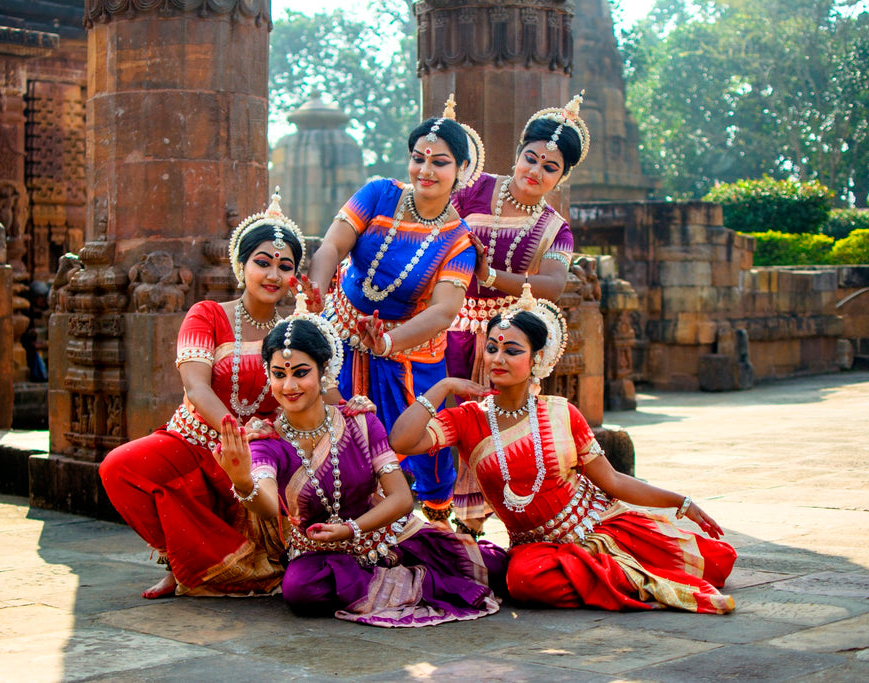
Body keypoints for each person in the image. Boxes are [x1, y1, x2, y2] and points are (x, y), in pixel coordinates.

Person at [390, 284, 737, 613]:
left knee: (718, 562)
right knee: (525, 582)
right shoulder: (469, 418)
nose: (498, 358)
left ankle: (611, 569)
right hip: (537, 549)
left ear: (536, 358)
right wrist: (443, 385)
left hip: (599, 528)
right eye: (492, 348)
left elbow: (612, 481)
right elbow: (401, 441)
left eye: (512, 351)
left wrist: (680, 501)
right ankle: (621, 578)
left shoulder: (560, 412)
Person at [217, 292, 504, 626]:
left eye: (300, 372)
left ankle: (400, 574)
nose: (289, 385)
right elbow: (268, 505)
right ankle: (411, 582)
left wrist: (352, 529)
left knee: (495, 570)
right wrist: (241, 480)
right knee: (300, 591)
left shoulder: (359, 421)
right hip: (319, 553)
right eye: (279, 374)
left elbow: (399, 498)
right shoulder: (267, 440)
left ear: (324, 371)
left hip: (384, 535)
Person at [98, 192, 307, 599]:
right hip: (196, 437)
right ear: (240, 265)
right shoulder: (208, 313)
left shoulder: (297, 327)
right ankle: (180, 563)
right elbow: (196, 385)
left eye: (285, 266)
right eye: (262, 262)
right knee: (118, 468)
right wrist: (232, 433)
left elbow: (319, 394)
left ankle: (230, 563)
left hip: (264, 453)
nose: (272, 275)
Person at [304, 95, 485, 526]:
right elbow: (332, 244)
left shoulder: (459, 240)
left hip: (410, 349)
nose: (425, 170)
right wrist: (316, 287)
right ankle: (348, 524)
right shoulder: (378, 193)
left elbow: (444, 311)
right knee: (337, 435)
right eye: (418, 158)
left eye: (439, 162)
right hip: (342, 330)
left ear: (460, 170)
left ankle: (437, 531)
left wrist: (388, 342)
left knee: (423, 451)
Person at [447, 92, 590, 537]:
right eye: (531, 158)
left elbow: (552, 285)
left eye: (550, 168)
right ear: (518, 154)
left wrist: (491, 275)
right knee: (432, 422)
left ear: (562, 177)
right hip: (443, 323)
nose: (535, 171)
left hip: (499, 340)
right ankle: (427, 521)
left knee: (485, 431)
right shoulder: (471, 188)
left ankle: (470, 531)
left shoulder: (554, 228)